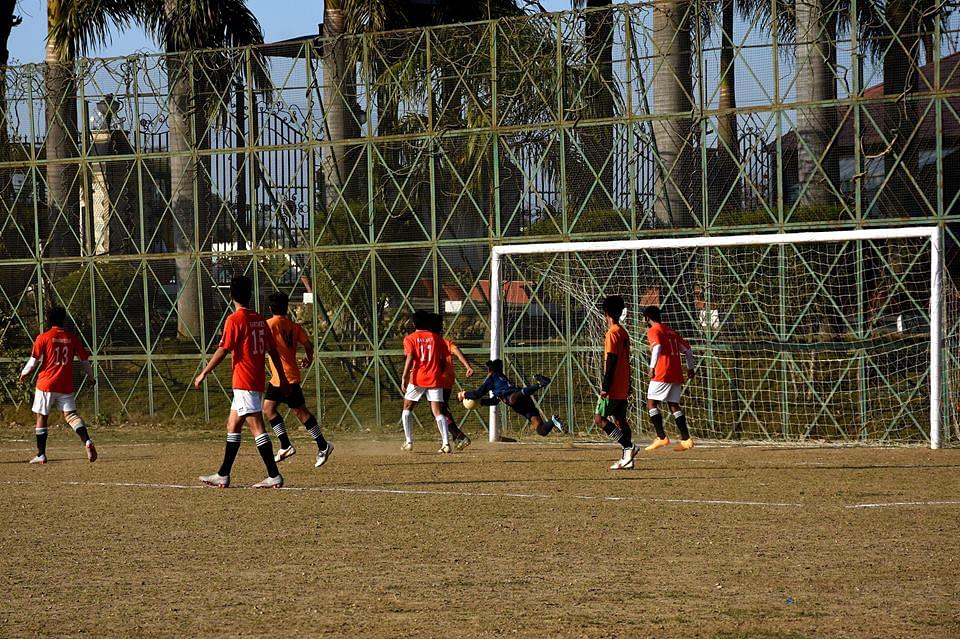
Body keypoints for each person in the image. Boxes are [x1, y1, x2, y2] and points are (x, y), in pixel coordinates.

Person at [194, 276, 291, 488]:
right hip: (254, 380)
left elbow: (223, 350)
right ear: (250, 295)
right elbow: (273, 351)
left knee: (256, 427)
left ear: (230, 295)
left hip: (244, 380)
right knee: (233, 425)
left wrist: (204, 373)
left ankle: (274, 474)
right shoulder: (259, 320)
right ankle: (223, 474)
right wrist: (282, 378)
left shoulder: (234, 320)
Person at [18, 306, 97, 464]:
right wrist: (91, 376)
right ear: (63, 319)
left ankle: (41, 454)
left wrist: (24, 373)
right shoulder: (72, 338)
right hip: (65, 384)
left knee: (42, 416)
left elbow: (33, 361)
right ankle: (87, 441)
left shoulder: (43, 337)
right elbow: (84, 360)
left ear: (48, 319)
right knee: (71, 415)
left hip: (46, 383)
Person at [263, 292, 333, 468]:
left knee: (299, 412)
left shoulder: (269, 325)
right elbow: (308, 345)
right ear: (286, 308)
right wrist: (309, 359)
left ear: (270, 308)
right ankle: (286, 446)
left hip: (284, 376)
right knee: (270, 409)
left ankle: (323, 445)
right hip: (285, 375)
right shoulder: (294, 327)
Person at [457, 359, 563, 437]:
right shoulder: (502, 378)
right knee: (541, 430)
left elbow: (477, 393)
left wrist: (464, 394)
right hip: (523, 402)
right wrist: (481, 402)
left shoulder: (492, 378)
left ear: (490, 370)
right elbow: (495, 401)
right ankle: (553, 421)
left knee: (512, 399)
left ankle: (540, 384)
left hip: (516, 398)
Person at [642, 305, 696, 452]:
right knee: (673, 404)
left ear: (647, 318)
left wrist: (652, 367)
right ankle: (686, 439)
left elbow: (657, 347)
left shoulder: (654, 330)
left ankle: (661, 437)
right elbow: (687, 349)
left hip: (662, 372)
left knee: (651, 403)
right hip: (676, 372)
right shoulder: (670, 331)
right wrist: (690, 367)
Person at [594, 295, 639, 470]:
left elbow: (611, 360)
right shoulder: (623, 332)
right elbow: (626, 360)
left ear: (606, 313)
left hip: (613, 385)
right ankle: (627, 459)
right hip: (623, 382)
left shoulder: (612, 333)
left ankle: (628, 446)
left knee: (599, 419)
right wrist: (629, 382)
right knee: (620, 420)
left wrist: (605, 386)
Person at [400, 310, 452, 453]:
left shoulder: (410, 338)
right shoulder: (436, 338)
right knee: (438, 411)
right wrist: (440, 371)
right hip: (434, 378)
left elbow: (410, 356)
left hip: (417, 378)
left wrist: (404, 376)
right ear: (427, 322)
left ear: (413, 323)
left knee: (407, 407)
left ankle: (409, 441)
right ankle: (446, 444)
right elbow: (444, 359)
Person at [430, 312, 475, 450]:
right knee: (441, 409)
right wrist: (467, 366)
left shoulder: (431, 344)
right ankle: (457, 437)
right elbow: (456, 351)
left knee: (439, 410)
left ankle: (460, 437)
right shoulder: (446, 342)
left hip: (437, 380)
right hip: (448, 380)